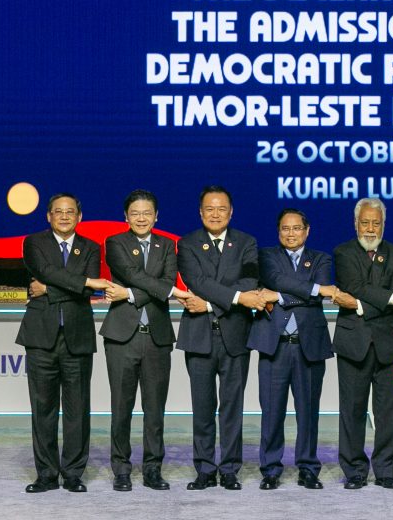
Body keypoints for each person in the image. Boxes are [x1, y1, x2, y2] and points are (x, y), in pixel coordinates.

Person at [16, 193, 109, 493]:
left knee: (77, 410)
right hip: (40, 337)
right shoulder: (34, 243)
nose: (65, 216)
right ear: (49, 216)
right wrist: (83, 282)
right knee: (42, 409)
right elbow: (45, 272)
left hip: (77, 338)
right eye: (59, 212)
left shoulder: (91, 247)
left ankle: (72, 474)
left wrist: (49, 290)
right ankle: (46, 474)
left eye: (70, 212)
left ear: (79, 217)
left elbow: (86, 291)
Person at [175, 185, 264, 490]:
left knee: (231, 408)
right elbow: (196, 281)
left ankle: (229, 469)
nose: (215, 214)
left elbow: (250, 281)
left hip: (235, 336)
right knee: (202, 408)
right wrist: (235, 297)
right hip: (199, 336)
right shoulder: (187, 244)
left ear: (231, 212)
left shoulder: (247, 243)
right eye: (209, 209)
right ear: (201, 212)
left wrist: (211, 304)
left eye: (221, 208)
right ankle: (204, 469)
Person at [101, 189, 190, 491]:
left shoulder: (167, 245)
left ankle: (153, 469)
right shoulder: (115, 243)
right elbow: (132, 274)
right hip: (121, 337)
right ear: (126, 217)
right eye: (135, 213)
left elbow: (166, 282)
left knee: (154, 410)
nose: (141, 218)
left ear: (156, 216)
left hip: (157, 337)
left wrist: (127, 293)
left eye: (147, 213)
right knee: (121, 408)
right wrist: (164, 291)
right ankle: (121, 469)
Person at [332, 197, 393, 489]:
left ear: (383, 225)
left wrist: (358, 304)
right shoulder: (343, 252)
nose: (370, 229)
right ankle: (354, 470)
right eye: (365, 222)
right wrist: (392, 298)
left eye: (376, 223)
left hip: (387, 342)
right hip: (353, 342)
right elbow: (354, 286)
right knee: (352, 410)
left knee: (388, 412)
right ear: (355, 223)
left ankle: (385, 470)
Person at [248, 208, 338, 490]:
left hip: (308, 346)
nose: (291, 233)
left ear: (307, 231)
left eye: (296, 228)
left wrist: (278, 297)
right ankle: (271, 469)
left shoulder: (321, 258)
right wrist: (312, 291)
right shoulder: (266, 256)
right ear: (279, 232)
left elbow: (315, 293)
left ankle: (308, 468)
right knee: (271, 412)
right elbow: (279, 281)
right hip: (274, 346)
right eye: (285, 229)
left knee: (308, 412)